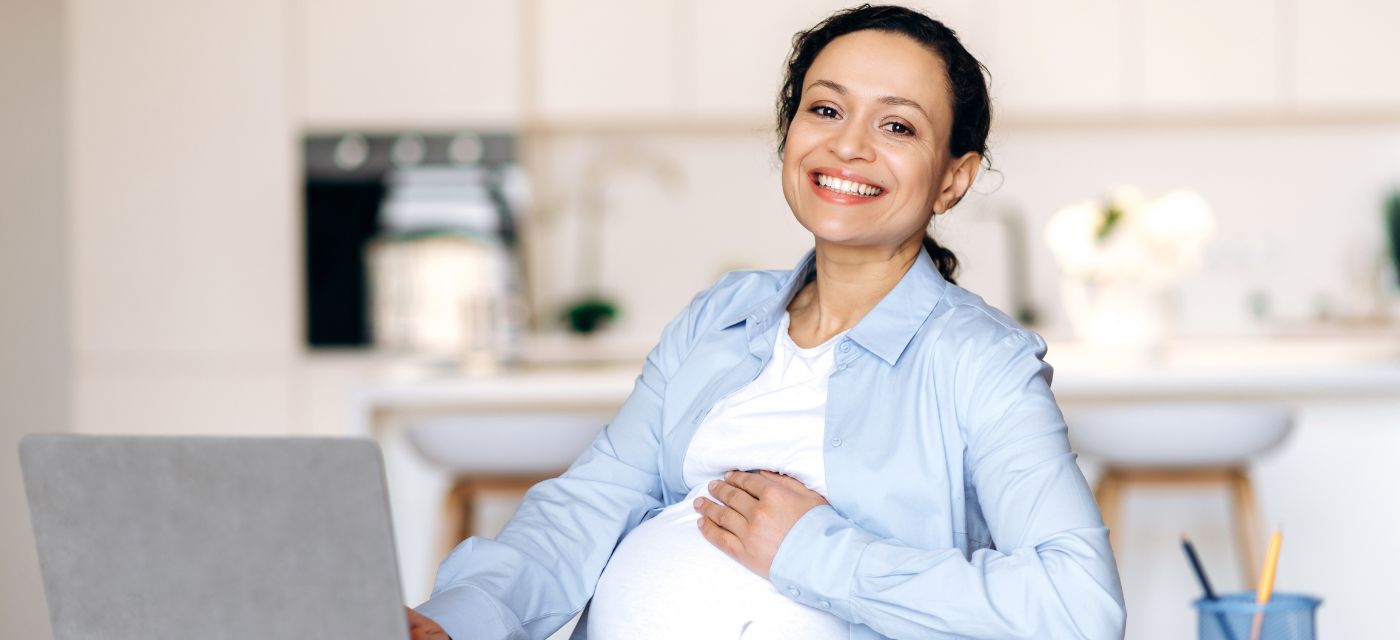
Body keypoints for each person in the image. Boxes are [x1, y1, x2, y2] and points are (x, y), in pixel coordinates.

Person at [406, 4, 1126, 639]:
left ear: (952, 179)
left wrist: (813, 552)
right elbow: (593, 504)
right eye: (826, 109)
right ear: (789, 133)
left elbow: (1078, 607)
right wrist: (459, 619)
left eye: (898, 125)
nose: (849, 145)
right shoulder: (721, 316)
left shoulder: (980, 361)